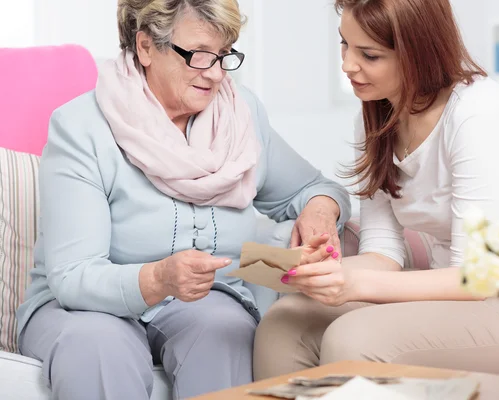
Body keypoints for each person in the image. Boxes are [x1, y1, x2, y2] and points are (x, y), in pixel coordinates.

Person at [16, 1, 350, 399]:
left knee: (224, 331)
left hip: (203, 302)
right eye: (199, 55)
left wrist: (320, 212)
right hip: (85, 308)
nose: (214, 73)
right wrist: (158, 278)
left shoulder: (241, 116)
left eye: (224, 56)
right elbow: (73, 275)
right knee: (99, 348)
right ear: (145, 47)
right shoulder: (82, 127)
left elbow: (315, 189)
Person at [253, 0, 499, 380]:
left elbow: (475, 277)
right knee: (286, 320)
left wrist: (353, 282)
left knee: (353, 340)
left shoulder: (477, 114)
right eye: (344, 45)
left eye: (370, 55)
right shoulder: (375, 117)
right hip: (452, 293)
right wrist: (323, 270)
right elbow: (383, 253)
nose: (348, 65)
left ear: (418, 53)